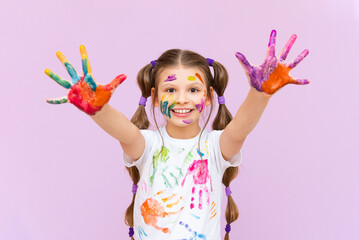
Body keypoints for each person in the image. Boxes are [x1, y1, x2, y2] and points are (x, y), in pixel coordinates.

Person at [44, 30, 309, 240]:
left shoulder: (216, 146)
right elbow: (122, 131)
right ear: (155, 98)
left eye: (193, 90)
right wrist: (98, 110)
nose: (182, 99)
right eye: (170, 90)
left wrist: (260, 93)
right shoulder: (146, 145)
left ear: (208, 98)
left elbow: (241, 127)